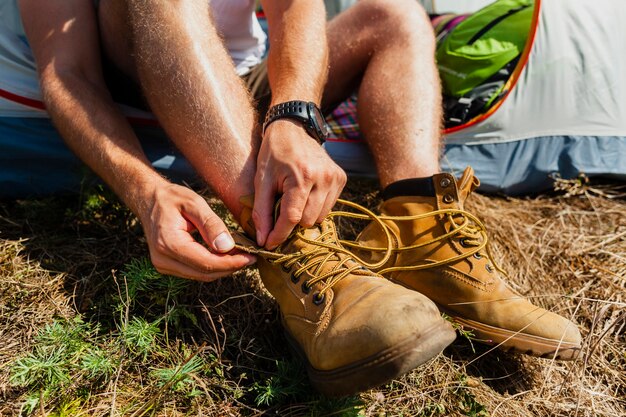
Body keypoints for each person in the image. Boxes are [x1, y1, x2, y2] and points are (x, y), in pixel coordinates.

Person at [13, 0, 580, 395]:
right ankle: (298, 249)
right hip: (142, 93)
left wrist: (293, 114)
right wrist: (145, 191)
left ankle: (423, 238)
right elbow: (68, 73)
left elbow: (295, 7)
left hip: (240, 82)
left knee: (395, 13)